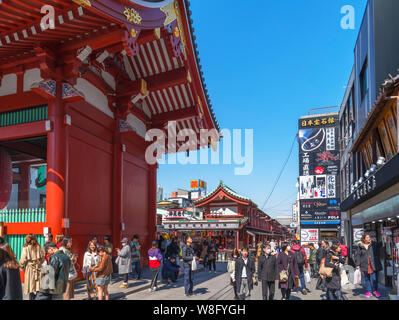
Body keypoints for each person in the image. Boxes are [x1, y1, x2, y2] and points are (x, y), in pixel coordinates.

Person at [355, 233, 383, 298]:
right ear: (364, 239)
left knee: (374, 279)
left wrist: (384, 237)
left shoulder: (373, 244)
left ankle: (375, 291)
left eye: (369, 237)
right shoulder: (360, 246)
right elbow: (358, 255)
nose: (369, 238)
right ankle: (369, 291)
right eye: (367, 237)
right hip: (364, 264)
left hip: (373, 264)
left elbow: (380, 245)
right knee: (367, 279)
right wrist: (358, 264)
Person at [19, 233, 44, 300]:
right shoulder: (39, 247)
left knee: (31, 287)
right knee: (38, 286)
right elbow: (42, 258)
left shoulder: (25, 248)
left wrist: (23, 267)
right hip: (38, 268)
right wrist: (38, 263)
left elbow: (22, 260)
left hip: (30, 269)